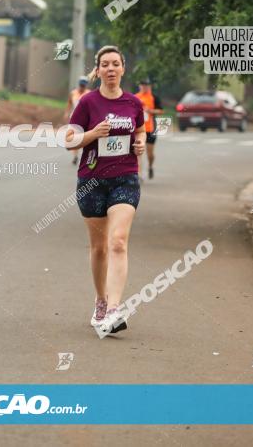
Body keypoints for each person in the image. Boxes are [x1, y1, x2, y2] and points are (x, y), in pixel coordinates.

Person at [66, 46, 146, 335]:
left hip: (125, 179)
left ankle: (114, 309)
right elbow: (69, 140)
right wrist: (92, 134)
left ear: (123, 68)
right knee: (99, 247)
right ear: (97, 70)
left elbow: (140, 130)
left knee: (118, 242)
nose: (110, 69)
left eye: (115, 64)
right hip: (92, 181)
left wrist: (139, 143)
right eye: (105, 65)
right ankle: (100, 300)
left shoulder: (134, 103)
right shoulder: (87, 102)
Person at [134, 79, 164, 180]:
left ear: (149, 86)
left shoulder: (154, 97)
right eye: (143, 85)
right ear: (139, 86)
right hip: (138, 129)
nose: (144, 87)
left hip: (151, 129)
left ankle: (150, 166)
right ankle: (139, 175)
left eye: (146, 85)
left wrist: (150, 110)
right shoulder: (135, 97)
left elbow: (161, 111)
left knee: (150, 154)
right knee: (138, 153)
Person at [64, 76, 92, 165]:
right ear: (79, 84)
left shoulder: (89, 94)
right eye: (81, 85)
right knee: (75, 138)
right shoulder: (73, 93)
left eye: (83, 85)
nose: (82, 87)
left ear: (86, 85)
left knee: (86, 138)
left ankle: (88, 156)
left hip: (87, 119)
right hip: (75, 118)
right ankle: (75, 156)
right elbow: (69, 103)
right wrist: (66, 113)